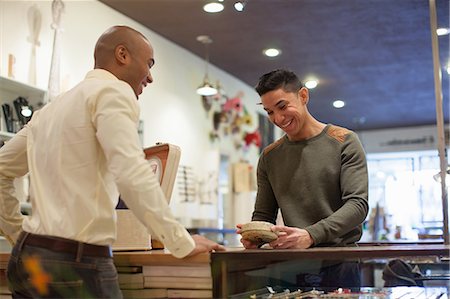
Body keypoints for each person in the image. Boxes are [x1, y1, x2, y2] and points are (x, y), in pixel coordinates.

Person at [0, 25, 225, 299]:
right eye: (149, 64)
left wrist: (19, 232)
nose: (150, 77)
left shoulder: (50, 111)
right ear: (122, 55)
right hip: (76, 264)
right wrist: (181, 241)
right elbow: (131, 172)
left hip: (28, 258)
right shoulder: (114, 92)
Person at [237, 69, 368, 289]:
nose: (278, 119)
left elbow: (357, 206)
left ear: (303, 96)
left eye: (282, 106)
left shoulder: (345, 141)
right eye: (269, 112)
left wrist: (311, 235)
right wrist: (255, 237)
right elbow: (263, 214)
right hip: (289, 266)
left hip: (339, 263)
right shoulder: (270, 156)